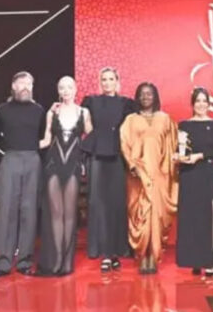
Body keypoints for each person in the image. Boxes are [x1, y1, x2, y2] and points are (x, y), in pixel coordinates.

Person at [120, 82, 178, 274]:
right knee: (140, 215)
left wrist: (166, 171)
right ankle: (142, 256)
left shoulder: (165, 119)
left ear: (155, 97)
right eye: (142, 94)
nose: (146, 97)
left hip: (159, 174)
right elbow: (125, 144)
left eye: (149, 94)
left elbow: (171, 147)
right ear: (137, 97)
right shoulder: (130, 120)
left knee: (157, 216)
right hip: (137, 175)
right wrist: (132, 165)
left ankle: (153, 256)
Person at [0, 71, 45, 278]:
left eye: (29, 84)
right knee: (6, 210)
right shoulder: (2, 110)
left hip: (32, 159)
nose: (25, 87)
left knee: (29, 211)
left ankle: (24, 261)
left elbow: (44, 135)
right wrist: (9, 146)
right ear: (13, 86)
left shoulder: (39, 110)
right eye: (21, 83)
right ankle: (3, 263)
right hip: (11, 158)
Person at [36, 76, 91, 276]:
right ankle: (58, 258)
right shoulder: (52, 112)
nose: (66, 91)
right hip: (53, 164)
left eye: (69, 87)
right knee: (56, 213)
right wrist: (22, 145)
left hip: (73, 166)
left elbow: (91, 137)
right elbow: (46, 140)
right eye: (62, 88)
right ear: (58, 91)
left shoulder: (84, 112)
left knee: (70, 214)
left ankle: (68, 261)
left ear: (75, 89)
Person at [81, 67, 134, 272]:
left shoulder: (126, 104)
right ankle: (103, 252)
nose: (107, 82)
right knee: (98, 204)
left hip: (118, 156)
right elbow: (80, 122)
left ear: (117, 81)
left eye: (111, 79)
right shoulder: (91, 102)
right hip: (97, 156)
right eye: (104, 79)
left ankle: (117, 251)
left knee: (117, 204)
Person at [175, 87, 213, 276]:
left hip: (207, 172)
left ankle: (209, 261)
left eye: (204, 101)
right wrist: (177, 157)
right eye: (198, 101)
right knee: (191, 217)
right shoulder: (184, 125)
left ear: (209, 104)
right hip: (188, 174)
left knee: (208, 216)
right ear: (192, 104)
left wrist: (200, 156)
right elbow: (180, 148)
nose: (201, 104)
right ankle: (194, 260)